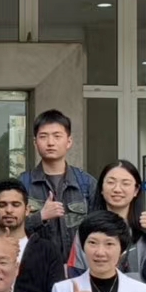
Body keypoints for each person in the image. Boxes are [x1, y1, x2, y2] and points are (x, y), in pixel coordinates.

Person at [70, 160, 146, 287]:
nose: (117, 189)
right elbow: (75, 274)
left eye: (125, 183)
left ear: (136, 190)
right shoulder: (87, 228)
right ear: (101, 188)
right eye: (111, 182)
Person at [20, 110, 96, 258]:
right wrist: (40, 217)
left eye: (57, 136)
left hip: (78, 266)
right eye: (43, 136)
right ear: (35, 143)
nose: (50, 142)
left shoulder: (86, 183)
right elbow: (10, 229)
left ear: (69, 141)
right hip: (36, 265)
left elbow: (99, 229)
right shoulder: (23, 183)